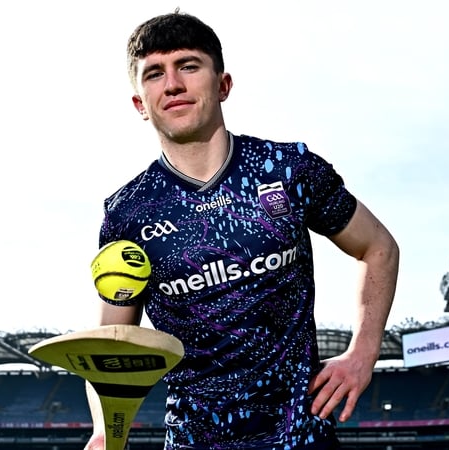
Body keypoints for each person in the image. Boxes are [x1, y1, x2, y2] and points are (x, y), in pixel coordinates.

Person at [85, 10, 399, 450]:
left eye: (188, 66)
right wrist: (104, 429)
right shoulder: (128, 214)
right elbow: (110, 346)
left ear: (223, 84)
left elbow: (378, 247)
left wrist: (363, 354)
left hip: (301, 439)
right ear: (140, 103)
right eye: (154, 74)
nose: (172, 83)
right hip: (195, 442)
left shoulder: (288, 169)